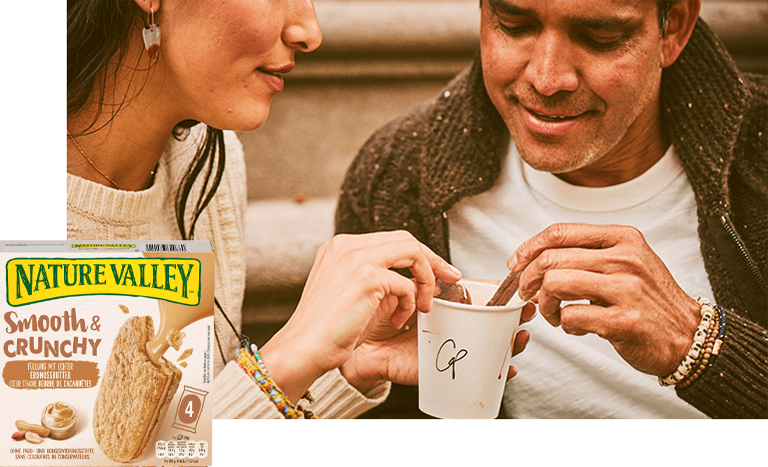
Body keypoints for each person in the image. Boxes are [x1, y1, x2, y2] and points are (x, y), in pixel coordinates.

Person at [66, 0, 532, 419]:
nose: (310, 30)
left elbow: (174, 439)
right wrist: (287, 357)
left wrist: (344, 368)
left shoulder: (208, 158)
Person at [337, 0, 767, 419]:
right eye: (513, 24)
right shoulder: (400, 173)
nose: (547, 78)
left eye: (600, 36)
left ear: (672, 28)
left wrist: (698, 345)